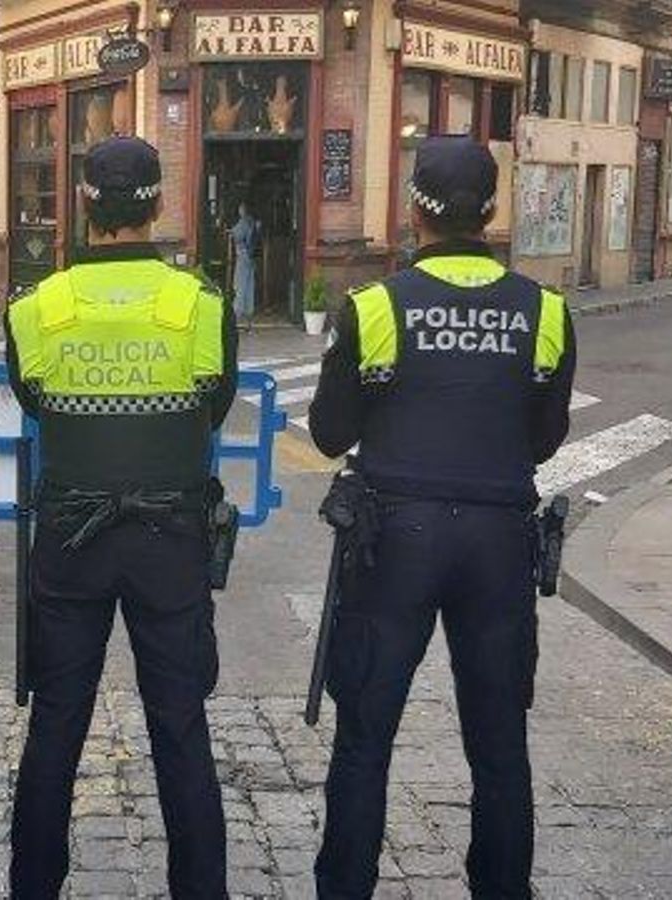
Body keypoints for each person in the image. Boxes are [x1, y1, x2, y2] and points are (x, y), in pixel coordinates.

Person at [305, 135, 576, 900]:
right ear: (491, 213)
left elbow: (329, 433)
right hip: (496, 540)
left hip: (395, 538)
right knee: (498, 744)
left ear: (412, 212)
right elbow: (545, 436)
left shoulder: (375, 307)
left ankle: (345, 888)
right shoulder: (545, 311)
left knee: (365, 738)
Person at [5, 136, 237, 898]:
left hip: (71, 541)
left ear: (83, 204)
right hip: (169, 543)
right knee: (180, 729)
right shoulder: (200, 305)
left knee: (56, 728)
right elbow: (213, 412)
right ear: (158, 205)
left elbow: (36, 404)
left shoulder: (37, 309)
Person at [228, 203, 260, 330]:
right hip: (251, 258)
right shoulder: (253, 222)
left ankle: (235, 319)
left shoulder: (243, 223)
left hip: (243, 257)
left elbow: (236, 236)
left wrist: (230, 232)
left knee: (239, 286)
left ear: (242, 211)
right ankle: (249, 322)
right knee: (249, 287)